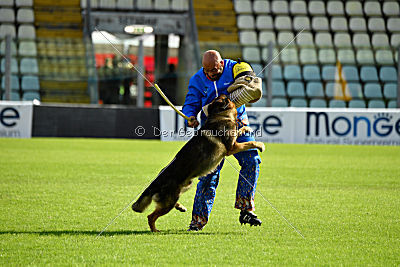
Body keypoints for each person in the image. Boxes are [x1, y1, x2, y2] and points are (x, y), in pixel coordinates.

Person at [182, 50, 262, 231]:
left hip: (238, 124)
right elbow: (191, 102)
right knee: (208, 175)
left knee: (252, 160)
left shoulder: (234, 67)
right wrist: (190, 115)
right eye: (206, 71)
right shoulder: (197, 79)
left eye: (214, 70)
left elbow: (249, 76)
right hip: (211, 131)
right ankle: (197, 221)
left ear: (221, 64)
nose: (210, 74)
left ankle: (246, 209)